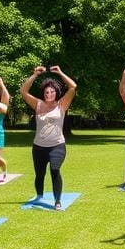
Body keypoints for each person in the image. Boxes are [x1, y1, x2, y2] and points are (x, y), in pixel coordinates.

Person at [20, 66, 77, 210]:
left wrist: (60, 72)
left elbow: (73, 86)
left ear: (56, 93)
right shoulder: (38, 105)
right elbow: (23, 91)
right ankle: (39, 195)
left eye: (51, 92)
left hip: (57, 146)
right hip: (38, 147)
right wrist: (34, 75)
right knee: (40, 174)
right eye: (46, 92)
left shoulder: (61, 105)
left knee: (55, 169)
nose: (49, 94)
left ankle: (57, 201)